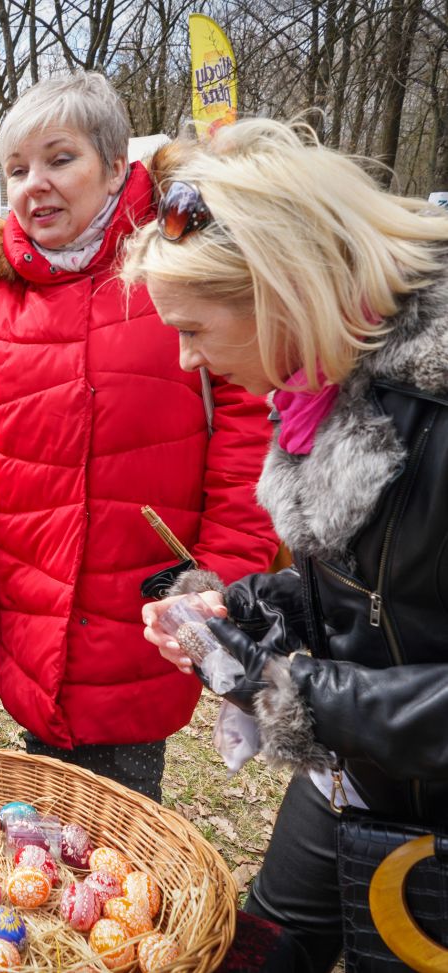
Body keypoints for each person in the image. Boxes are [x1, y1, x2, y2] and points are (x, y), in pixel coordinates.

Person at [133, 119, 448, 972]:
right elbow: (377, 590)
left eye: (195, 329)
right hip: (353, 774)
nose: (184, 356)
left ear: (281, 291)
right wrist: (246, 610)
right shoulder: (319, 380)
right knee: (263, 945)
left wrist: (296, 691)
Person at [0, 72, 278, 800]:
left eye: (60, 159)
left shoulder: (186, 259)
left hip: (145, 587)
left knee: (122, 802)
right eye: (17, 169)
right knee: (44, 771)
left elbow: (246, 437)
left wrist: (222, 575)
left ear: (118, 165)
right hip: (26, 579)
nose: (34, 185)